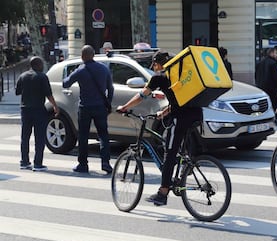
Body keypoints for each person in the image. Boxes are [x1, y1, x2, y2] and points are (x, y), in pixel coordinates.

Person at [117, 51, 202, 206]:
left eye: (154, 64)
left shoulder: (159, 78)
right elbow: (179, 100)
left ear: (158, 63)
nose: (154, 68)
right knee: (173, 144)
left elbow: (142, 95)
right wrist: (164, 112)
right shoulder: (178, 75)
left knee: (169, 153)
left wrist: (125, 107)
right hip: (197, 114)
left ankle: (163, 193)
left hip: (181, 118)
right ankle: (185, 166)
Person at [63, 45, 114, 174]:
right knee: (103, 135)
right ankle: (106, 163)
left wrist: (71, 73)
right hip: (100, 106)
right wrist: (108, 102)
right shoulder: (103, 69)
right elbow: (111, 88)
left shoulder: (80, 70)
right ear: (93, 55)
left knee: (83, 136)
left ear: (82, 56)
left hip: (85, 107)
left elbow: (66, 83)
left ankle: (83, 164)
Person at [16, 56, 59, 171]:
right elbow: (48, 94)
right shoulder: (42, 77)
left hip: (25, 110)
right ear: (38, 65)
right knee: (39, 138)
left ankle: (24, 162)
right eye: (42, 64)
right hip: (38, 110)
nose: (43, 66)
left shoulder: (22, 76)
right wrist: (55, 106)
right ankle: (38, 163)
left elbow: (17, 91)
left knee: (25, 137)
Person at [255, 47, 277, 125]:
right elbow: (276, 77)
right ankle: (273, 120)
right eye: (275, 53)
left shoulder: (259, 63)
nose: (276, 55)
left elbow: (256, 76)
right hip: (272, 88)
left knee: (263, 105)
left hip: (261, 88)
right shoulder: (273, 63)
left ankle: (262, 120)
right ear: (271, 53)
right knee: (273, 105)